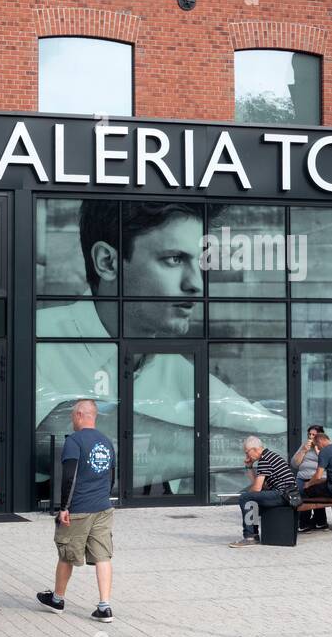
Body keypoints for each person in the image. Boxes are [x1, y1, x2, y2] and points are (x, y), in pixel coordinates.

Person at [34, 201, 287, 497]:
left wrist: (313, 442)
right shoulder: (35, 339)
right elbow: (58, 439)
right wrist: (256, 449)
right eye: (174, 259)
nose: (197, 285)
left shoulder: (178, 369)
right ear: (108, 261)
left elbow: (288, 433)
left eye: (200, 262)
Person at [37, 399, 116, 622]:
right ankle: (104, 606)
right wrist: (103, 498)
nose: (72, 419)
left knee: (67, 555)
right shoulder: (107, 442)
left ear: (81, 414)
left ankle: (58, 599)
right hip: (103, 508)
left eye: (73, 415)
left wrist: (64, 508)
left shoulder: (74, 442)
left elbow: (69, 478)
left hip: (79, 509)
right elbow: (111, 477)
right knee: (103, 556)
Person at [229, 436, 297, 547]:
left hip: (283, 495)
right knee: (251, 499)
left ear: (255, 449)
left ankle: (250, 536)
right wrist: (249, 467)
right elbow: (261, 485)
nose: (247, 456)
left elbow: (256, 489)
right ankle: (253, 535)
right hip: (288, 495)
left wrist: (248, 495)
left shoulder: (264, 460)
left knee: (244, 498)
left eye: (247, 453)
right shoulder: (270, 456)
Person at [299, 425, 332, 530]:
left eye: (317, 446)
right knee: (318, 488)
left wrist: (308, 484)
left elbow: (318, 476)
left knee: (304, 491)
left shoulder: (325, 451)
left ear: (321, 442)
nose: (317, 449)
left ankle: (303, 524)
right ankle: (320, 521)